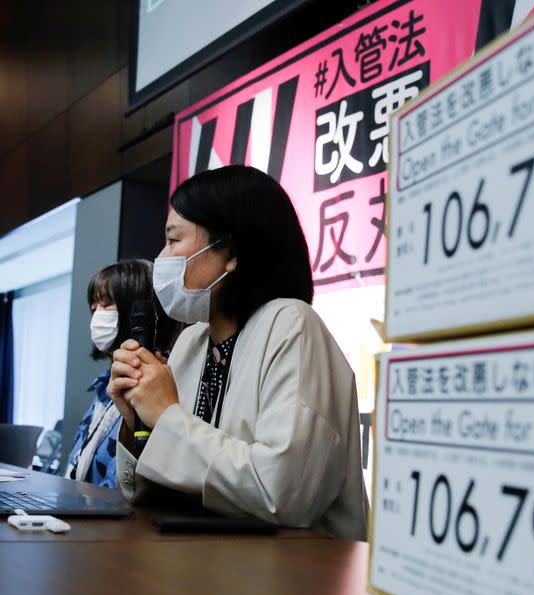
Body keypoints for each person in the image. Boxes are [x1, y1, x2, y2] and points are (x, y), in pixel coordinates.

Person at [108, 165, 369, 540]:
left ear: (229, 253)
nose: (161, 257)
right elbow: (147, 493)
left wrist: (166, 416)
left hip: (298, 577)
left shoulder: (292, 323)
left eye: (173, 241)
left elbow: (282, 494)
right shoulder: (194, 340)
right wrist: (138, 422)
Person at [65, 260, 180, 488]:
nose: (97, 314)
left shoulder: (162, 381)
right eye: (94, 307)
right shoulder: (102, 386)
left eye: (107, 304)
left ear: (136, 311)